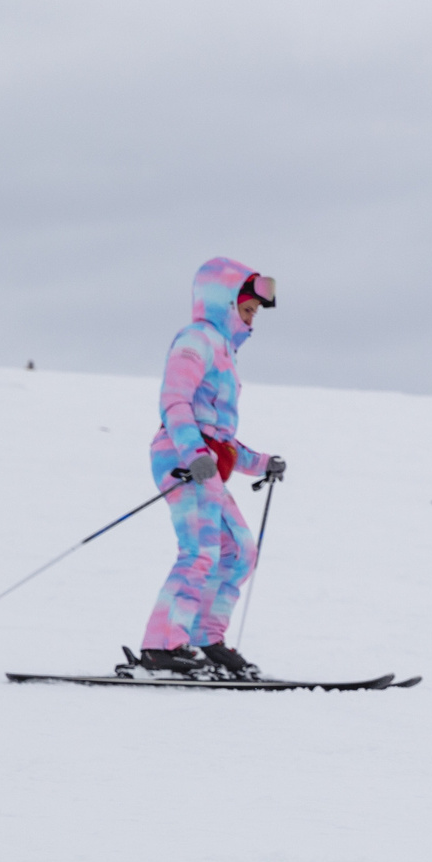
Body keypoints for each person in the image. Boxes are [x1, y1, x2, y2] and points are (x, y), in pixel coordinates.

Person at [133, 259, 285, 678]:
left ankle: (205, 639)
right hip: (182, 456)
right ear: (224, 302)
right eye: (247, 309)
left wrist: (261, 464)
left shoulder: (225, 351)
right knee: (200, 550)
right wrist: (194, 453)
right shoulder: (196, 339)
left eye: (255, 312)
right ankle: (160, 647)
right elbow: (175, 402)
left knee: (240, 551)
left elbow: (222, 435)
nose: (252, 320)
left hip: (207, 459)